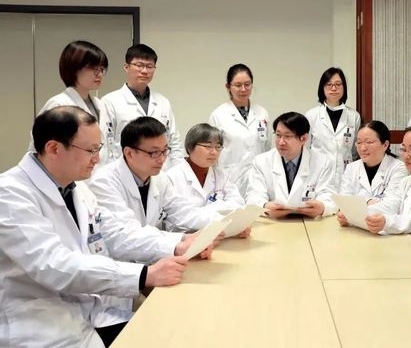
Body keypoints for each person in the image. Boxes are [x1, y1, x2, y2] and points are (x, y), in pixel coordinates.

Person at [0, 106, 187, 348]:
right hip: (39, 328)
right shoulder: (10, 194)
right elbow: (54, 265)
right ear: (54, 148)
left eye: (98, 149)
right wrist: (143, 275)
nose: (97, 159)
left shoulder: (78, 189)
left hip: (90, 314)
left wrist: (177, 244)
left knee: (175, 330)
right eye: (91, 150)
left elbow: (116, 233)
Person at [89, 116, 221, 265]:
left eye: (164, 151)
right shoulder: (104, 182)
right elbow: (123, 236)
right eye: (154, 153)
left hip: (151, 261)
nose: (162, 159)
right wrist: (178, 244)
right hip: (120, 267)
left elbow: (183, 212)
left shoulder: (160, 179)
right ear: (129, 153)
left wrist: (223, 224)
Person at [351, 123, 411, 236]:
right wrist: (355, 214)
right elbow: (391, 205)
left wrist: (387, 222)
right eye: (403, 149)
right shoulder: (407, 182)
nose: (406, 156)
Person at [29, 40, 113, 164]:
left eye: (102, 69)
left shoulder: (100, 105)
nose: (100, 74)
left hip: (99, 173)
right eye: (94, 69)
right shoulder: (58, 105)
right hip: (69, 174)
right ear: (74, 68)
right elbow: (39, 149)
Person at [101, 43, 184, 168]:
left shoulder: (163, 102)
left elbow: (174, 142)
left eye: (149, 66)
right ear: (126, 67)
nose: (144, 71)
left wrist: (176, 172)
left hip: (160, 172)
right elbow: (106, 146)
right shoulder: (110, 101)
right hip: (124, 171)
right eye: (139, 65)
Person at [246, 111, 337, 219]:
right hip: (273, 222)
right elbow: (254, 195)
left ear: (304, 138)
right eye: (278, 135)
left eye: (287, 136)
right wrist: (265, 207)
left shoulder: (322, 162)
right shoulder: (261, 161)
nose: (281, 142)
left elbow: (328, 195)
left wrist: (322, 208)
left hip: (310, 222)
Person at [167, 123, 250, 237]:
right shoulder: (172, 177)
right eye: (208, 146)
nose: (214, 152)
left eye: (218, 147)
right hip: (186, 238)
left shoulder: (221, 175)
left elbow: (238, 204)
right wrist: (220, 210)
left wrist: (212, 211)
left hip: (220, 235)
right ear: (190, 148)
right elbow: (183, 216)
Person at [209, 64, 270, 198]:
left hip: (258, 178)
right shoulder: (218, 115)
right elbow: (213, 151)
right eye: (238, 85)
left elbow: (266, 147)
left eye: (247, 84)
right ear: (228, 87)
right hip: (229, 178)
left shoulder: (262, 113)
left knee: (257, 207)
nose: (243, 89)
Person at [336, 120, 408, 225]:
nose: (362, 148)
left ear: (385, 145)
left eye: (369, 142)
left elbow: (392, 206)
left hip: (383, 229)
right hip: (356, 228)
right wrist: (370, 203)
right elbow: (345, 202)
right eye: (359, 143)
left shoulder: (398, 168)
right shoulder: (352, 168)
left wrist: (357, 208)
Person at [305, 67, 361, 190]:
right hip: (318, 176)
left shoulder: (353, 116)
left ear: (344, 87)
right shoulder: (312, 115)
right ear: (322, 88)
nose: (334, 88)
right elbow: (306, 148)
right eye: (329, 84)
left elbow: (354, 150)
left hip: (345, 175)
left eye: (338, 84)